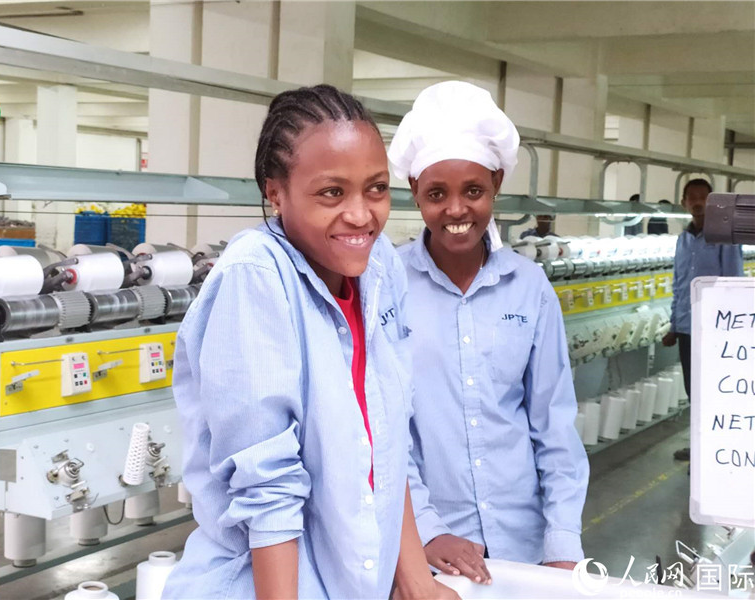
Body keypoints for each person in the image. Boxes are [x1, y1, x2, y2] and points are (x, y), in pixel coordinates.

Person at [162, 85, 455, 600]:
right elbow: (267, 489)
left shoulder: (381, 267)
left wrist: (417, 583)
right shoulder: (255, 277)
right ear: (276, 192)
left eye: (376, 189)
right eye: (331, 193)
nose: (361, 215)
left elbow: (386, 444)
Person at [388, 81, 589, 579]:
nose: (456, 210)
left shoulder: (529, 286)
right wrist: (427, 531)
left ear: (496, 183)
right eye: (437, 194)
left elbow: (553, 423)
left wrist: (561, 538)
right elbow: (385, 431)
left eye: (473, 191)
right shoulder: (387, 287)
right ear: (415, 191)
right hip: (430, 551)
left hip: (526, 544)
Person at [662, 178, 743, 461]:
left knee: (713, 391)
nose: (697, 202)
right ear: (683, 202)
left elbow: (733, 282)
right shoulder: (682, 240)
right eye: (692, 197)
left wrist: (731, 329)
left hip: (714, 330)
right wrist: (674, 326)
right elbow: (679, 284)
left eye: (703, 197)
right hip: (687, 329)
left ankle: (713, 452)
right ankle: (699, 447)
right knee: (693, 391)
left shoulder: (724, 238)